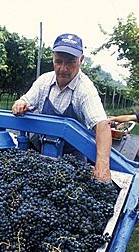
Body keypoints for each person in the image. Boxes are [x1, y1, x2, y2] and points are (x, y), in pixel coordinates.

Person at [12, 33, 112, 183]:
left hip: (71, 162)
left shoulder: (85, 89)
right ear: (52, 58)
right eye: (58, 61)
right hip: (40, 153)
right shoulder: (44, 81)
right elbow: (26, 100)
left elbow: (102, 124)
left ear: (81, 60)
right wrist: (19, 103)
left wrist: (102, 167)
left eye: (70, 62)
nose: (63, 69)